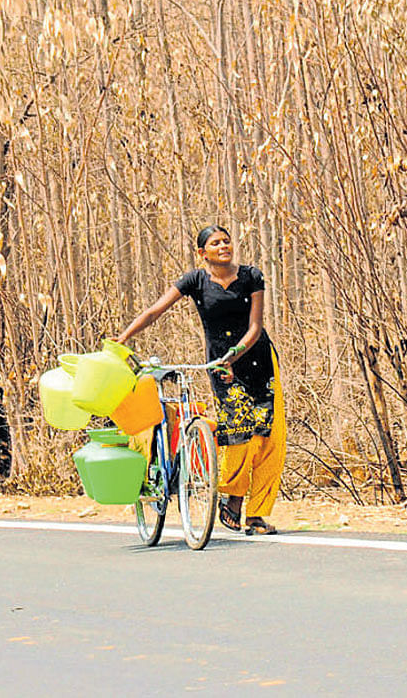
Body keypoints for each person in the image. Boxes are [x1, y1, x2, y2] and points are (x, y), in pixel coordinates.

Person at [115, 225, 286, 535]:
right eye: (215, 243)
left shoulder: (251, 276)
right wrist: (124, 336)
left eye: (226, 241)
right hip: (221, 366)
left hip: (257, 359)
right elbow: (155, 311)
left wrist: (235, 353)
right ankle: (232, 499)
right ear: (201, 253)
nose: (223, 246)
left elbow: (256, 325)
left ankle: (257, 514)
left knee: (270, 438)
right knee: (238, 433)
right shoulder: (195, 281)